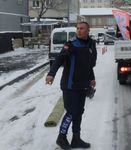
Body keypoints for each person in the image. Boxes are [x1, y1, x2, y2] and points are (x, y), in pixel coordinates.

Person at [46, 21, 97, 149]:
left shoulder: (91, 44)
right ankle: (61, 138)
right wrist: (51, 74)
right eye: (77, 28)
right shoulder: (71, 44)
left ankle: (76, 138)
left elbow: (89, 64)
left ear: (88, 30)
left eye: (82, 28)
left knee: (79, 112)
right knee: (71, 112)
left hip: (83, 85)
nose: (79, 30)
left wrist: (92, 78)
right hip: (70, 85)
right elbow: (59, 60)